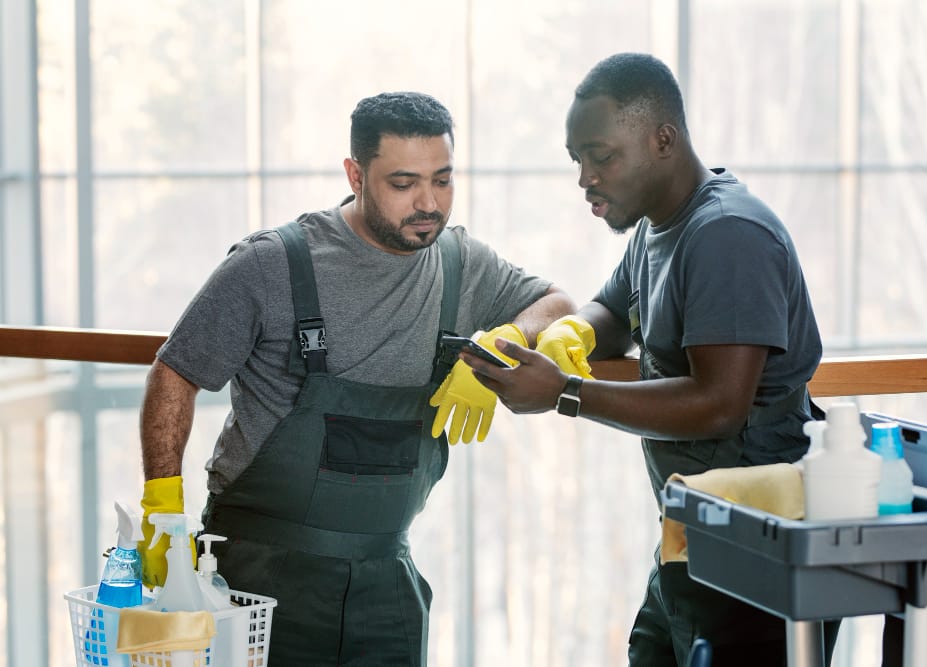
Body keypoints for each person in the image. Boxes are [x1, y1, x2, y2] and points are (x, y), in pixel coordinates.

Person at [137, 91, 576, 666]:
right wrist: (162, 508)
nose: (428, 203)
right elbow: (176, 371)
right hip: (257, 577)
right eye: (403, 183)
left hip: (385, 583)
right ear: (355, 173)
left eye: (443, 180)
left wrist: (506, 339)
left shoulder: (460, 263)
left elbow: (558, 302)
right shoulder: (273, 264)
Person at [461, 53, 832, 666]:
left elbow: (718, 404)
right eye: (576, 159)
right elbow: (613, 309)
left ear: (663, 139)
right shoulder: (659, 228)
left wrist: (564, 393)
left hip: (762, 553)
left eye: (600, 156)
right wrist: (567, 333)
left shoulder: (727, 235)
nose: (584, 177)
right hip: (693, 538)